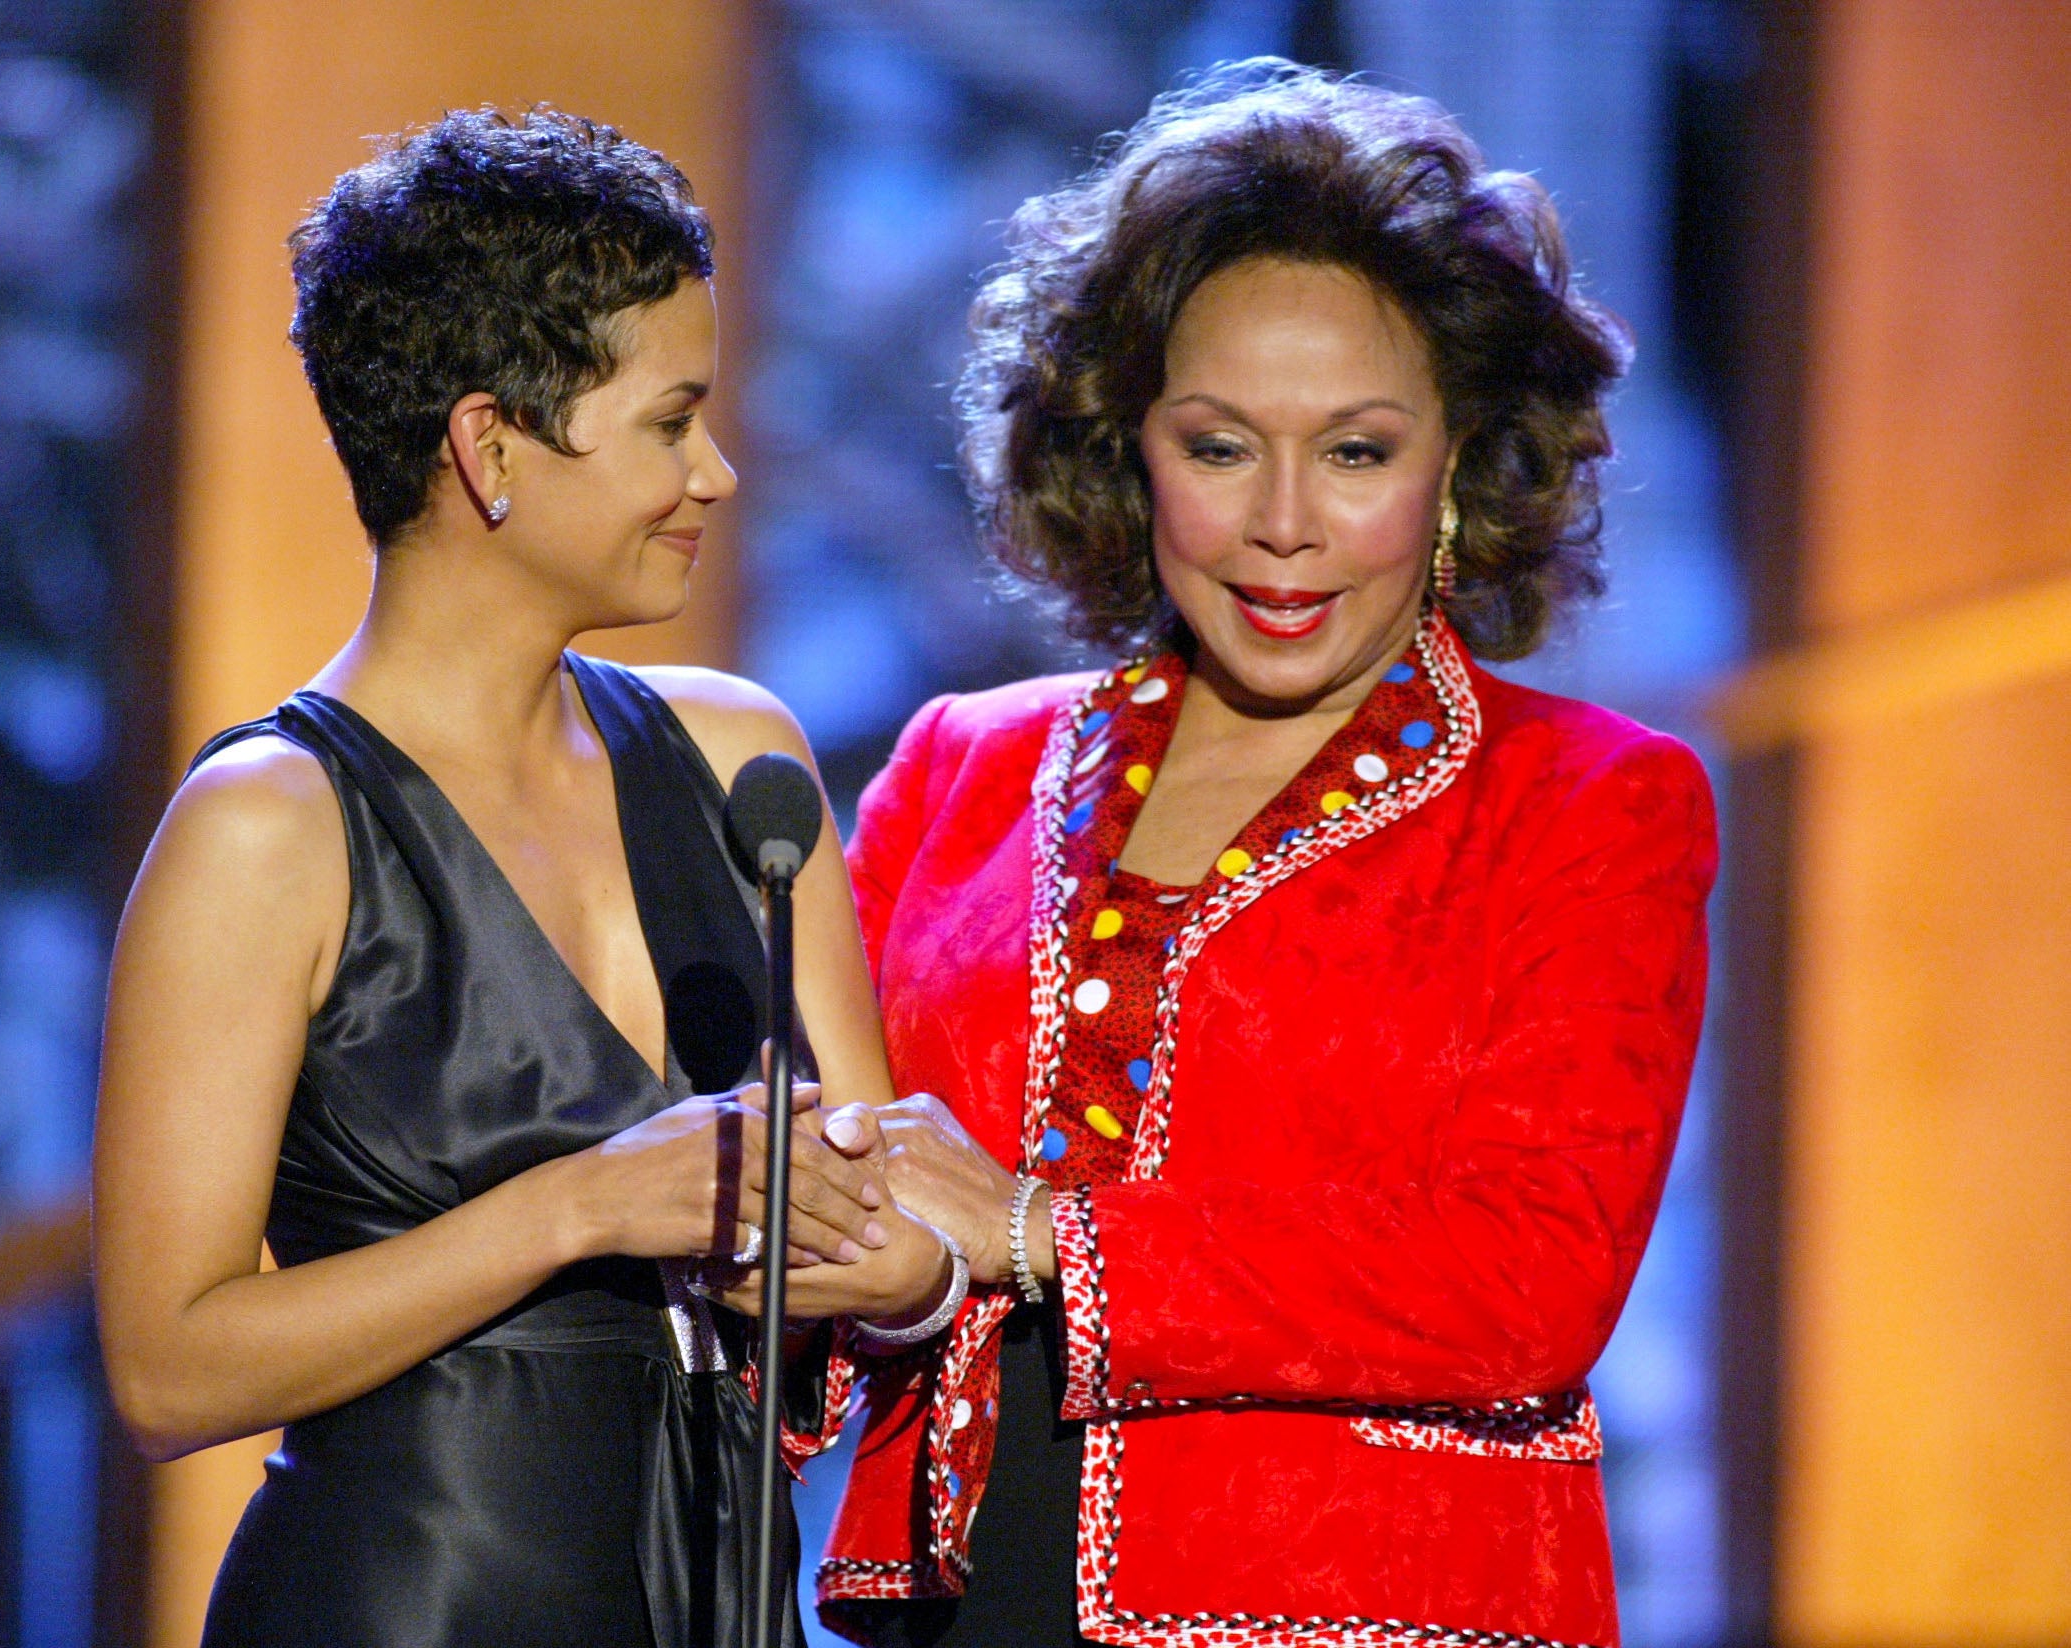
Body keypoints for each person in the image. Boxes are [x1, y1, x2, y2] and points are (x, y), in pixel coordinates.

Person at [790, 62, 1718, 1648]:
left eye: (1355, 453)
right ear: (1123, 446)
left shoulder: (1588, 800)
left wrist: (1036, 1233)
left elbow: (1527, 1277)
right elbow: (848, 1219)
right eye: (1218, 447)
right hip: (955, 1602)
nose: (1283, 523)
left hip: (1378, 1608)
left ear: (1456, 464)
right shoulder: (958, 769)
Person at [90, 109, 954, 1648]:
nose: (720, 473)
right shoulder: (269, 827)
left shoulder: (740, 766)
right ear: (490, 446)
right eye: (671, 422)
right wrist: (579, 1209)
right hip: (403, 1604)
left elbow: (864, 1235)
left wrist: (913, 1268)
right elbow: (169, 1368)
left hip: (714, 1603)